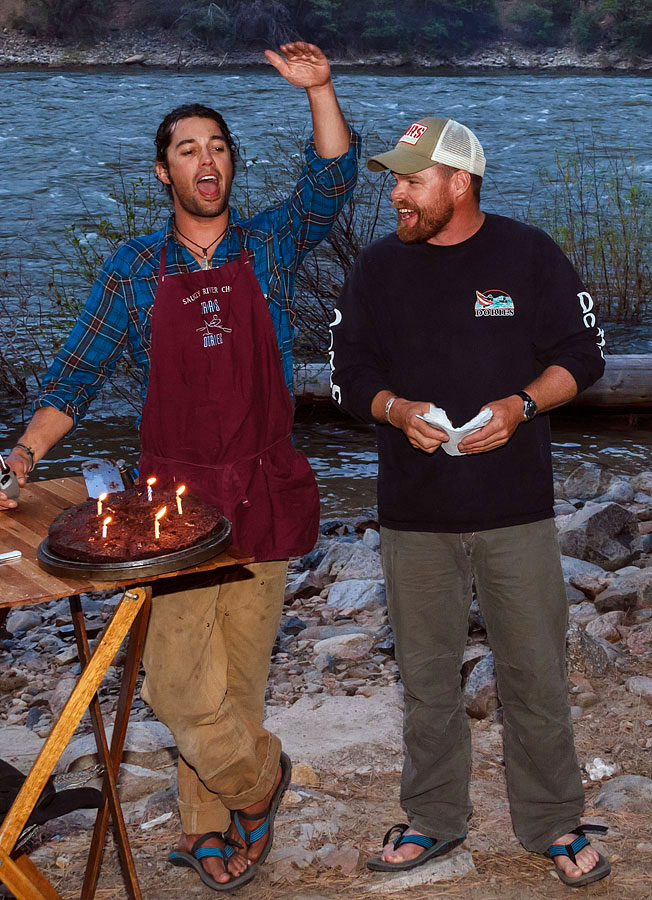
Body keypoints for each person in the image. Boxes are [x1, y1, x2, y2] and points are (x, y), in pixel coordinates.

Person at [0, 43, 358, 891]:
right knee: (176, 687)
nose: (207, 161)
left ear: (232, 165)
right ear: (164, 174)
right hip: (174, 504)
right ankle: (261, 781)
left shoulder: (269, 246)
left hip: (262, 484)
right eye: (189, 149)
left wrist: (322, 90)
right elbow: (76, 376)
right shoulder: (131, 270)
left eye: (219, 147)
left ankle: (207, 828)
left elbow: (331, 182)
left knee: (238, 677)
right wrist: (20, 456)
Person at [328, 117, 609, 889]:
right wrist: (394, 409)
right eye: (396, 179)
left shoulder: (529, 254)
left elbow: (583, 356)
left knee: (534, 675)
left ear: (459, 183)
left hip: (515, 508)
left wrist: (522, 404)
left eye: (412, 180)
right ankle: (432, 819)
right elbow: (345, 372)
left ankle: (553, 822)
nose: (396, 194)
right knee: (425, 679)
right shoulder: (379, 268)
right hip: (414, 513)